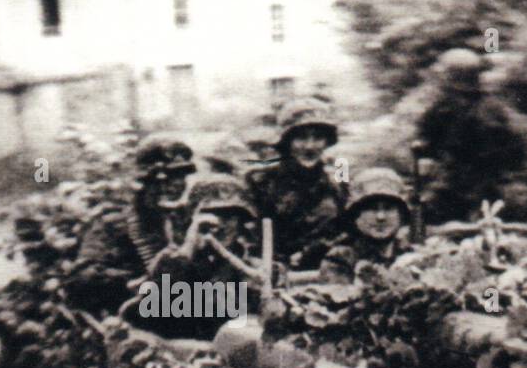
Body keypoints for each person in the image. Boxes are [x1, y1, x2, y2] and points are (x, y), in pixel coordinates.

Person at [68, 135, 196, 314]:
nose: (172, 186)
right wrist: (132, 282)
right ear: (142, 184)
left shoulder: (189, 222)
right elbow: (81, 279)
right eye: (160, 181)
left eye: (179, 177)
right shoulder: (115, 223)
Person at [134, 175, 263, 340]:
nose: (221, 225)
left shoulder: (256, 269)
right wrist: (190, 244)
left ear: (240, 223)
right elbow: (149, 309)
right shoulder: (173, 261)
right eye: (212, 215)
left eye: (230, 216)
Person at [413, 48, 527, 224]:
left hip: (477, 188)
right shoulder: (445, 108)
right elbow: (426, 141)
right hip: (463, 185)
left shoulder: (485, 112)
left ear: (453, 79)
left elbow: (508, 153)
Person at [244, 97, 347, 269]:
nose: (309, 146)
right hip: (272, 272)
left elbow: (349, 227)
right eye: (301, 138)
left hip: (329, 269)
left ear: (327, 141)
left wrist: (320, 248)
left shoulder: (339, 175)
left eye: (318, 138)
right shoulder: (261, 180)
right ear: (287, 141)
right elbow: (248, 236)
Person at [318, 168, 416, 282]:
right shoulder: (340, 259)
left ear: (401, 215)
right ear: (356, 216)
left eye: (388, 208)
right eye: (372, 208)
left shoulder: (410, 256)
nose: (381, 217)